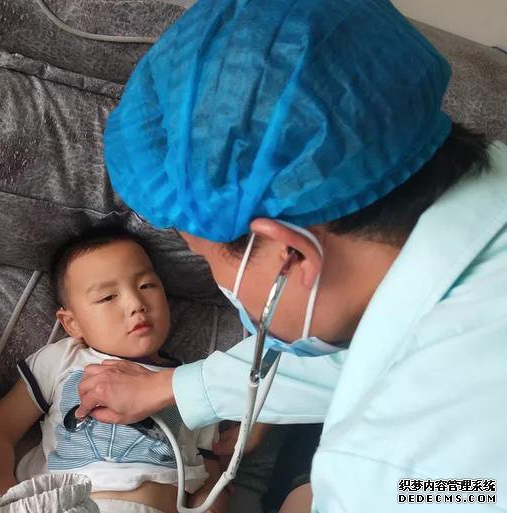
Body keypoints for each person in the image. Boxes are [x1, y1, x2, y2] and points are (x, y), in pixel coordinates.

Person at [75, 0, 507, 512]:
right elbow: (369, 358)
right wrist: (176, 387)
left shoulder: (395, 472)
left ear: (291, 254)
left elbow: (430, 481)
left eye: (208, 260)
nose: (222, 286)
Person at [0, 226, 229, 513]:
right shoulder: (63, 359)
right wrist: (5, 497)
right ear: (72, 324)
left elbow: (211, 477)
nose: (136, 304)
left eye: (147, 286)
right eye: (107, 297)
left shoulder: (195, 382)